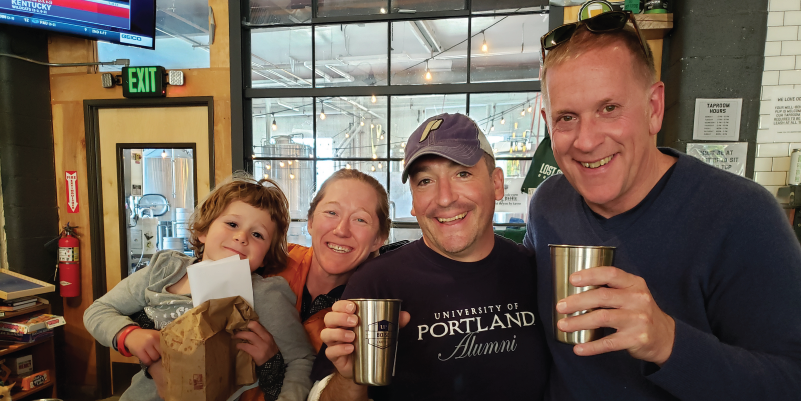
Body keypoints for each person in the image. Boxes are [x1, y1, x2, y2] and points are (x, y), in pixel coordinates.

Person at [525, 10, 801, 400]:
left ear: (654, 108)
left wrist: (669, 342)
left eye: (609, 109)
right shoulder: (547, 205)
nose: (586, 141)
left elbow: (791, 382)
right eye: (566, 117)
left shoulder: (743, 216)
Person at [313, 113, 550, 400]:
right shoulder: (376, 284)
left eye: (462, 173)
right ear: (413, 200)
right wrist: (351, 380)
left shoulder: (533, 270)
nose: (445, 198)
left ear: (496, 183)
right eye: (425, 181)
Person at [84, 173, 315, 401]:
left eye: (258, 234)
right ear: (203, 231)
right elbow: (99, 310)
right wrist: (128, 335)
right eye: (232, 223)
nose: (242, 237)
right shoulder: (165, 269)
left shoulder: (265, 294)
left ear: (265, 257)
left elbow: (301, 359)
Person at [238, 169, 391, 401]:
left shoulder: (375, 314)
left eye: (360, 219)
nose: (341, 230)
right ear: (310, 222)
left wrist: (273, 365)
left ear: (379, 238)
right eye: (331, 212)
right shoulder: (266, 262)